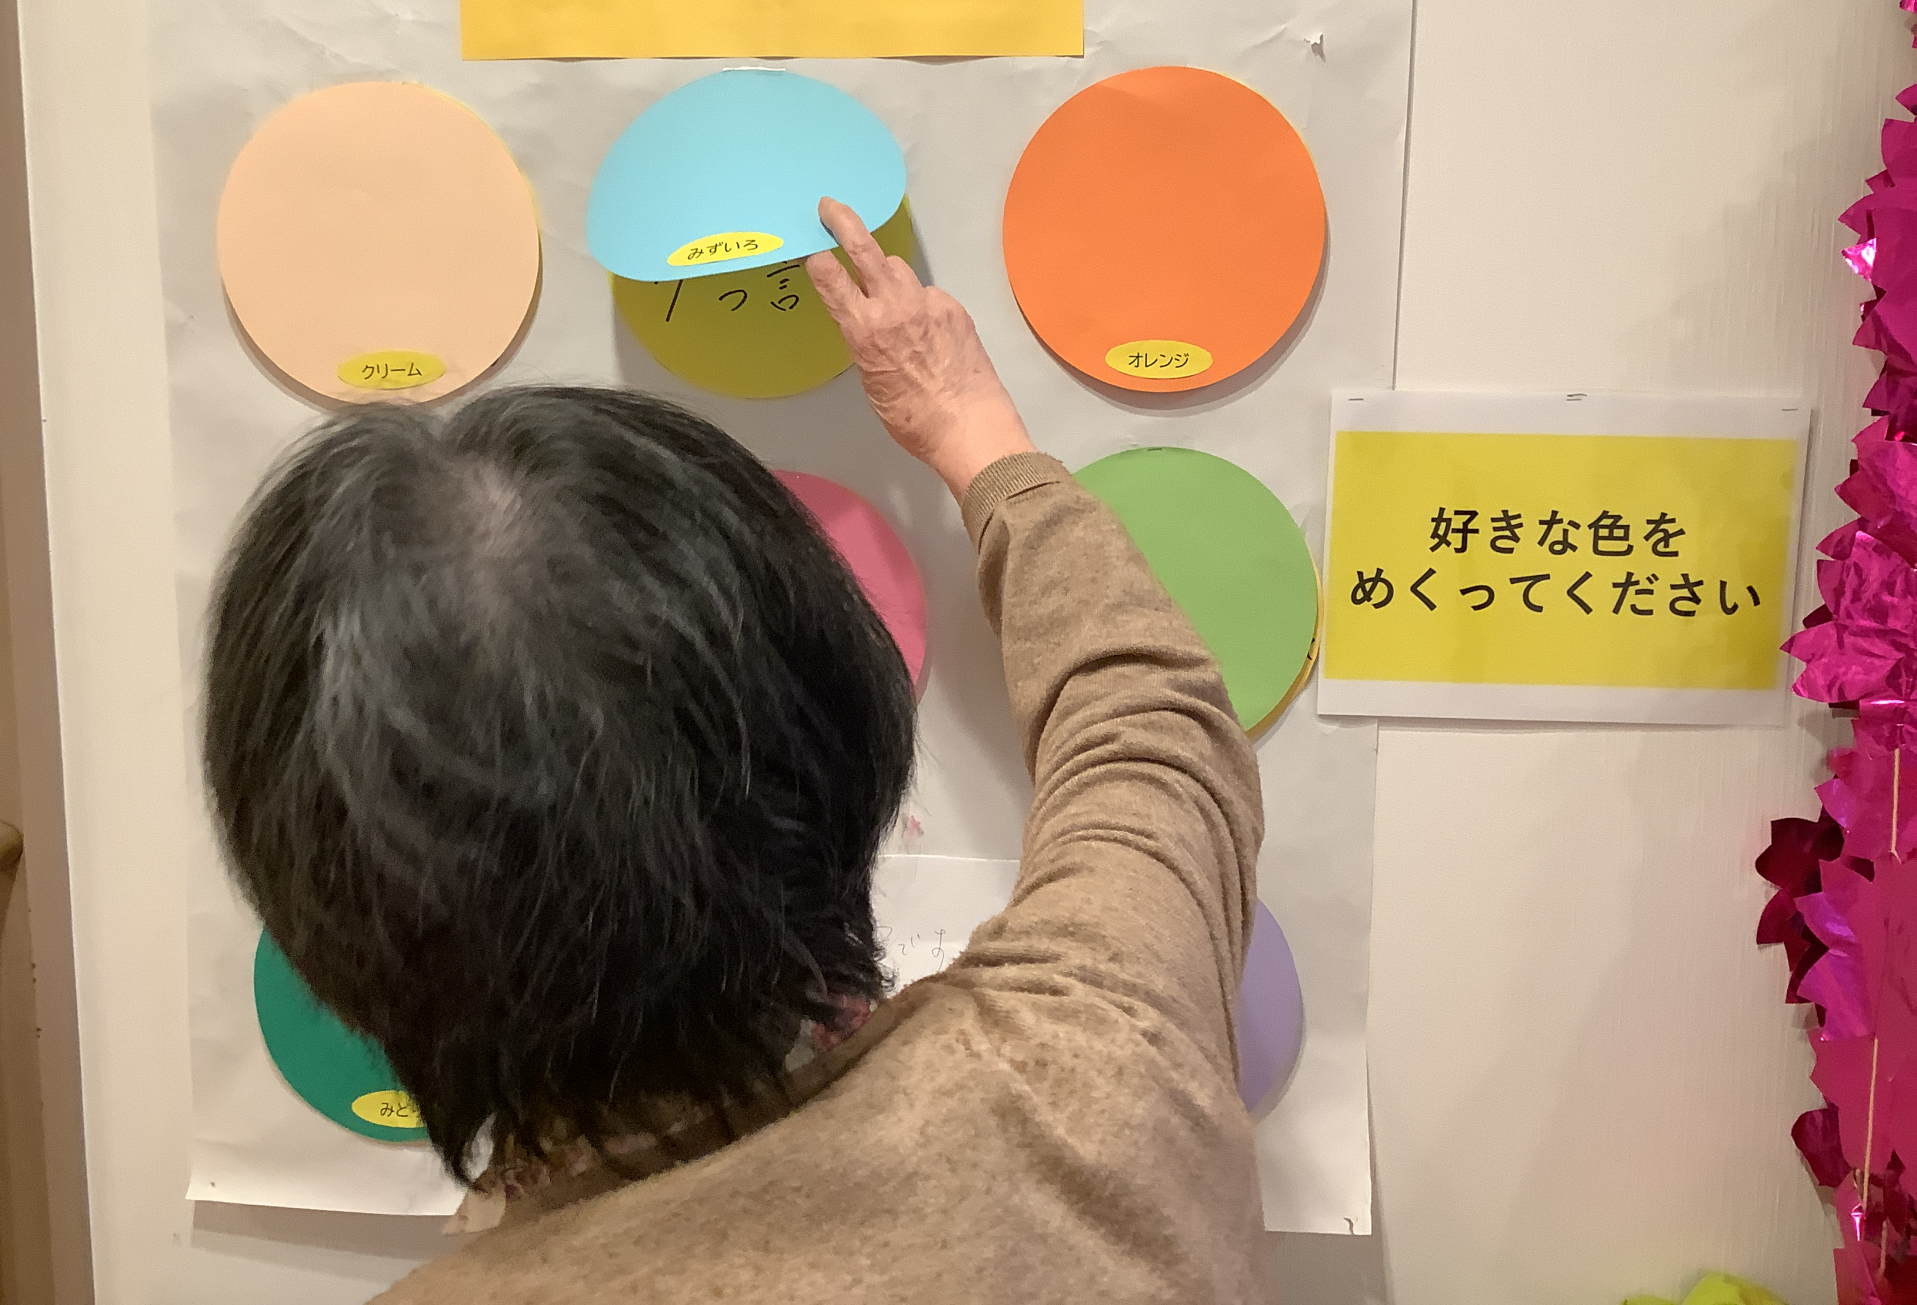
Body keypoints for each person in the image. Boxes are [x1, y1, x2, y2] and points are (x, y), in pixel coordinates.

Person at [203, 200, 1266, 1302]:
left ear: (326, 923)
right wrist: (976, 436)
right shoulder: (1093, 1057)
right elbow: (1152, 732)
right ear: (839, 747)